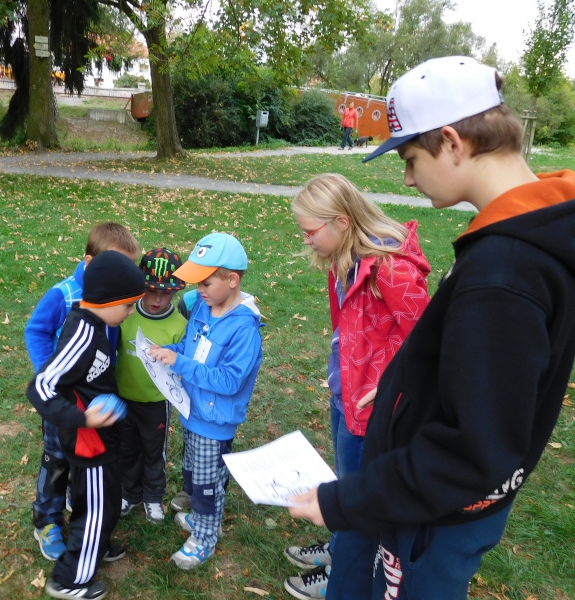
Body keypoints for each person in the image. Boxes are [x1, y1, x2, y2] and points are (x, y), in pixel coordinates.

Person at [288, 55, 575, 600]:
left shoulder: (504, 272)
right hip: (448, 504)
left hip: (437, 515)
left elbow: (473, 448)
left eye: (411, 158)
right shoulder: (531, 230)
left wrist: (343, 501)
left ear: (451, 141)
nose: (407, 177)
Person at [282, 173, 432, 599]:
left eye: (311, 231)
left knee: (357, 502)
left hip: (371, 411)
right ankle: (339, 550)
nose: (306, 239)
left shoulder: (391, 270)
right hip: (347, 397)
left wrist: (389, 382)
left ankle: (345, 579)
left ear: (342, 222)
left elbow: (429, 340)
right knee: (346, 483)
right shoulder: (345, 261)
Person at [27, 250, 147, 600]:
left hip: (104, 437)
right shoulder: (81, 332)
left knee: (106, 499)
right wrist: (82, 419)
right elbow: (40, 386)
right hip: (88, 442)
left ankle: (97, 545)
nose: (129, 313)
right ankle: (70, 578)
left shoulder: (97, 323)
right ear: (108, 300)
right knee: (95, 508)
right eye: (128, 306)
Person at [147, 232, 264, 570]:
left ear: (232, 280)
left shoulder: (244, 329)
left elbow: (229, 381)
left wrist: (180, 362)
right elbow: (189, 345)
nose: (198, 289)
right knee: (194, 472)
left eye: (206, 282)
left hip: (214, 422)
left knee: (207, 484)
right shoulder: (203, 306)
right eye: (197, 282)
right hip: (192, 410)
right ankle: (201, 519)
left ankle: (205, 537)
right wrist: (169, 352)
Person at [116, 248, 187, 524]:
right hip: (124, 398)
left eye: (166, 293)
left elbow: (181, 366)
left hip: (156, 403)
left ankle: (154, 496)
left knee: (154, 451)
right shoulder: (125, 315)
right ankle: (129, 493)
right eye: (151, 290)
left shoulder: (179, 325)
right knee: (127, 448)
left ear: (176, 291)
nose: (157, 299)